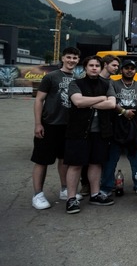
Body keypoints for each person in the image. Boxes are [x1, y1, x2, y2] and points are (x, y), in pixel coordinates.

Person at [63, 55, 116, 213]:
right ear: (85, 68)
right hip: (78, 131)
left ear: (101, 68)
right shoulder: (76, 83)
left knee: (96, 163)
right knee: (75, 165)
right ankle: (71, 199)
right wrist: (100, 98)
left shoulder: (107, 83)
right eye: (91, 65)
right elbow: (78, 102)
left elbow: (112, 104)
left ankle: (95, 194)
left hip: (100, 131)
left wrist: (89, 102)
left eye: (97, 66)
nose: (94, 68)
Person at [31, 46, 80, 210]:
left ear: (78, 60)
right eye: (69, 57)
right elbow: (39, 100)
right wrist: (38, 123)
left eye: (75, 58)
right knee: (42, 160)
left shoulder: (78, 79)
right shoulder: (51, 77)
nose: (71, 60)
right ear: (63, 58)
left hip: (68, 126)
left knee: (64, 160)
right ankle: (38, 194)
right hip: (49, 124)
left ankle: (65, 189)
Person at [101, 59, 137, 198]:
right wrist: (124, 111)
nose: (130, 70)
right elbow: (110, 100)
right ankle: (106, 186)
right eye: (126, 68)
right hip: (116, 125)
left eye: (132, 68)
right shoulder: (113, 84)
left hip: (134, 125)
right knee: (111, 158)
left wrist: (134, 109)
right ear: (121, 70)